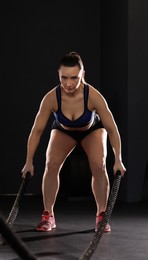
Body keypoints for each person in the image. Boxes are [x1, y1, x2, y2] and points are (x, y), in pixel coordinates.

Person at [21, 51, 126, 232]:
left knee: (99, 166)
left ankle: (102, 215)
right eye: (64, 78)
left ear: (82, 74)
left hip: (91, 130)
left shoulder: (93, 96)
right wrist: (28, 162)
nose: (68, 83)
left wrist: (118, 159)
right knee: (50, 164)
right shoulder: (51, 98)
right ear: (58, 75)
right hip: (64, 130)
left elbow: (112, 129)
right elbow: (36, 131)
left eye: (74, 78)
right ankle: (48, 215)